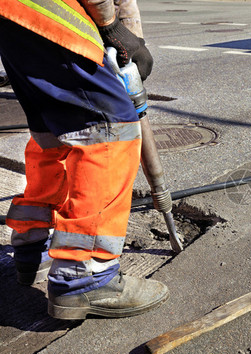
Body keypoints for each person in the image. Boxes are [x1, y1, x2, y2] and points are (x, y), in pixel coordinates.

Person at [0, 0, 169, 319]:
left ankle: (33, 246)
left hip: (14, 12)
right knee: (109, 129)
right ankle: (86, 276)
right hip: (53, 12)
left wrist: (125, 34)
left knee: (55, 132)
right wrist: (112, 27)